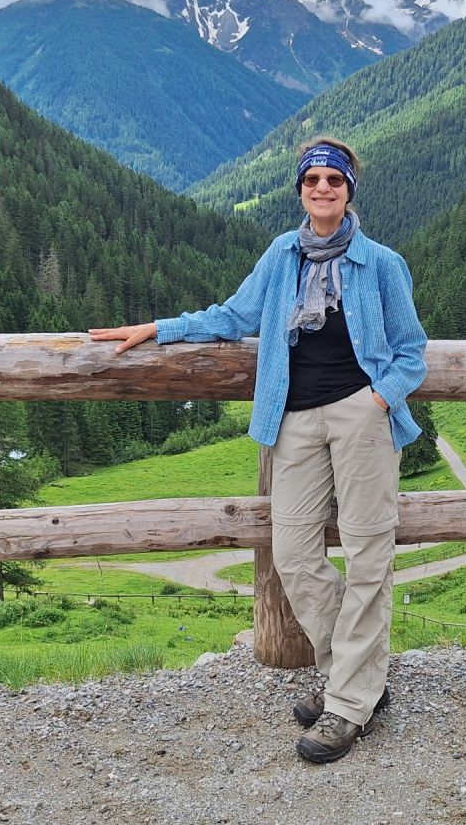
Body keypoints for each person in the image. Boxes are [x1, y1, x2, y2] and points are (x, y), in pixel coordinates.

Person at [90, 136, 428, 764]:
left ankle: (350, 703)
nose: (322, 189)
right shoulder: (282, 257)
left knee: (367, 554)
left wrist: (380, 399)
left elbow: (412, 351)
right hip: (294, 419)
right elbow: (233, 314)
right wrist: (160, 330)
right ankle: (358, 676)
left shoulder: (381, 263)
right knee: (294, 555)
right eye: (312, 180)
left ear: (351, 189)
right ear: (300, 190)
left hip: (362, 417)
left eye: (334, 179)